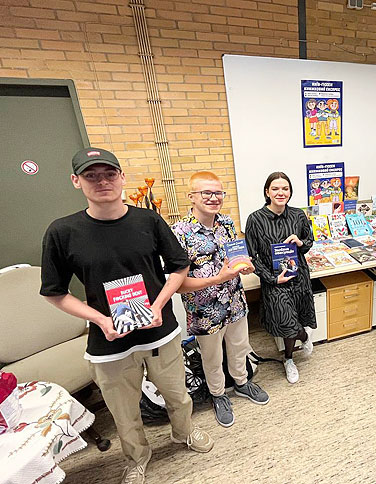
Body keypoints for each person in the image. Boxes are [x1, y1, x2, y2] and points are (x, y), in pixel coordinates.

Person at [40, 148, 213, 484]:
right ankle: (136, 458)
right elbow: (54, 292)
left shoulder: (148, 221)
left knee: (178, 396)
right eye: (91, 175)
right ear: (76, 181)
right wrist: (100, 320)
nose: (102, 181)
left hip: (160, 333)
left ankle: (184, 433)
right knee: (124, 412)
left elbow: (179, 267)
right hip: (109, 343)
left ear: (121, 177)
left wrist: (158, 305)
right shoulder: (63, 232)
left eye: (109, 174)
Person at [171, 171, 269, 429]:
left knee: (240, 346)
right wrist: (217, 279)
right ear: (191, 196)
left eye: (218, 193)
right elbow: (178, 285)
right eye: (206, 192)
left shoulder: (226, 223)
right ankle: (218, 394)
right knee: (212, 357)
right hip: (204, 311)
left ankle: (242, 382)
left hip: (235, 302)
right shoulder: (179, 232)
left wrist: (244, 266)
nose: (213, 198)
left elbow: (234, 258)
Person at [245, 172, 316, 384]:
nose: (280, 192)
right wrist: (272, 278)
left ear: (290, 192)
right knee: (288, 323)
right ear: (267, 192)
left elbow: (309, 241)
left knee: (296, 317)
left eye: (285, 188)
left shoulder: (298, 215)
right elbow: (252, 256)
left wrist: (300, 243)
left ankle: (289, 357)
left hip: (298, 276)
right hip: (274, 280)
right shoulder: (255, 219)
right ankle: (302, 340)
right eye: (275, 188)